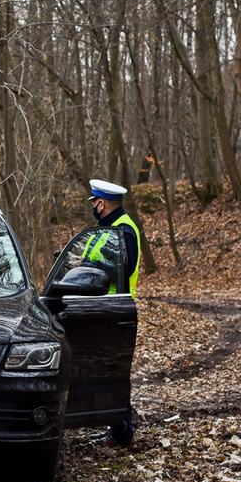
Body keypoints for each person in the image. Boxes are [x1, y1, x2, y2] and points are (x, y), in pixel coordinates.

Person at [85, 179, 141, 447]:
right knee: (102, 370)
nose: (92, 208)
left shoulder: (123, 231)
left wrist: (92, 268)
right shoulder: (109, 230)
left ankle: (122, 431)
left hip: (114, 310)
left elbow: (123, 269)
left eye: (94, 203)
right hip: (102, 309)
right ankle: (116, 427)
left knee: (114, 373)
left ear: (101, 203)